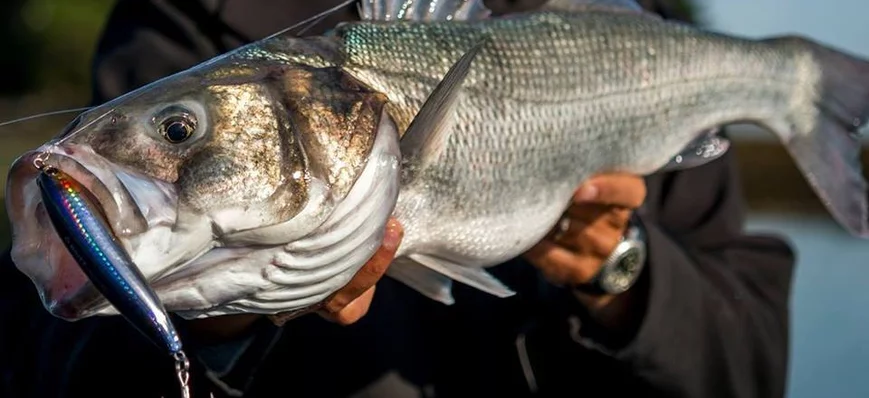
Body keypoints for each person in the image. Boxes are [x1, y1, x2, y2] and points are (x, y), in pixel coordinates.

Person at [0, 0, 796, 397]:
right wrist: (222, 321)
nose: (170, 143)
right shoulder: (184, 17)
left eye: (177, 130)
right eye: (180, 127)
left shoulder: (619, 40)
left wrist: (621, 271)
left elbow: (751, 368)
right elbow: (44, 365)